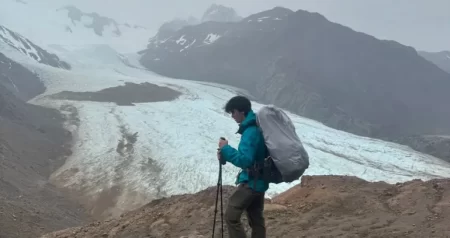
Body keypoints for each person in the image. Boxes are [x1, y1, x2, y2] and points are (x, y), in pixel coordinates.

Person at [217, 95, 269, 238]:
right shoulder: (257, 127)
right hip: (260, 181)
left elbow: (245, 160)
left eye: (233, 112)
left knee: (231, 217)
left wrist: (225, 148)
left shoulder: (250, 131)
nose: (232, 116)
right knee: (256, 219)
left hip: (251, 183)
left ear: (241, 111)